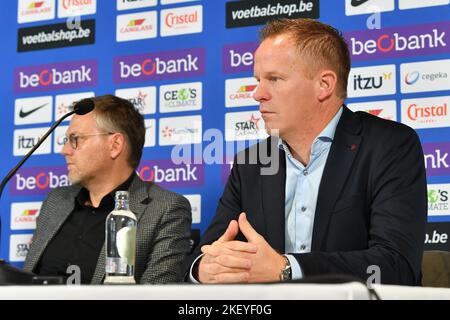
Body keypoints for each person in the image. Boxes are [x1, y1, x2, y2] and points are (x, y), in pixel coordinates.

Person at [184, 18, 427, 285]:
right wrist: (205, 269)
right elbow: (205, 254)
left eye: (274, 79)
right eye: (258, 80)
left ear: (324, 84)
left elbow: (396, 265)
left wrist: (286, 268)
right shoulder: (250, 164)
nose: (257, 94)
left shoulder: (390, 145)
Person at [24, 95, 192, 284]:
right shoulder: (56, 201)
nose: (64, 150)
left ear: (115, 145)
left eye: (75, 139)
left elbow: (157, 295)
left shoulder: (165, 210)